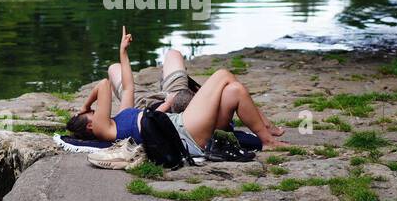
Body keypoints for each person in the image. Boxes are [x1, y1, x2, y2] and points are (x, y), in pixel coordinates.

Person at [66, 28, 285, 155]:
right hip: (185, 131)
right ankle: (268, 141)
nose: (95, 111)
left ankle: (265, 138)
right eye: (91, 114)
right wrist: (85, 106)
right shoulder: (104, 129)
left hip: (184, 122)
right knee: (222, 74)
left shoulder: (118, 120)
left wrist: (122, 51)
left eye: (91, 109)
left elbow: (129, 86)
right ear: (90, 125)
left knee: (234, 90)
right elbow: (104, 85)